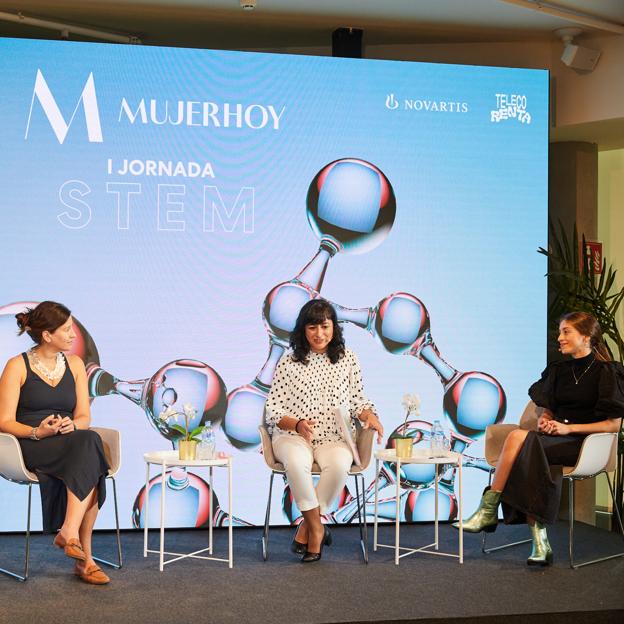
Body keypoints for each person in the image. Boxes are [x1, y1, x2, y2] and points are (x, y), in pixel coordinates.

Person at [455, 311, 624, 565]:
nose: (560, 337)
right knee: (527, 445)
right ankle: (537, 539)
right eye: (561, 331)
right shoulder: (559, 371)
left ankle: (490, 509)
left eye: (567, 331)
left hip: (584, 444)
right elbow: (549, 407)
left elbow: (612, 425)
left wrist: (568, 429)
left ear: (586, 337)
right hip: (552, 441)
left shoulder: (607, 372)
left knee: (520, 441)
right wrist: (546, 419)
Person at [0, 301, 111, 584]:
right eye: (66, 329)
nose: (73, 334)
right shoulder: (17, 366)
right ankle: (84, 557)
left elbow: (84, 415)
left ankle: (69, 534)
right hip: (29, 443)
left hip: (69, 440)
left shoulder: (75, 364)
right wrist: (38, 431)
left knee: (88, 442)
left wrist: (73, 424)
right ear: (47, 335)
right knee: (92, 453)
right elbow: (4, 421)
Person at [265, 298, 383, 562]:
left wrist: (370, 416)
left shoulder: (347, 359)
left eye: (325, 327)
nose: (319, 334)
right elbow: (273, 410)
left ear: (334, 329)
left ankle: (307, 526)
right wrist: (296, 424)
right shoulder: (289, 361)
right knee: (296, 463)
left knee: (340, 464)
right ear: (303, 330)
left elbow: (357, 401)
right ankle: (317, 531)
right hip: (293, 436)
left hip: (334, 437)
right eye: (312, 328)